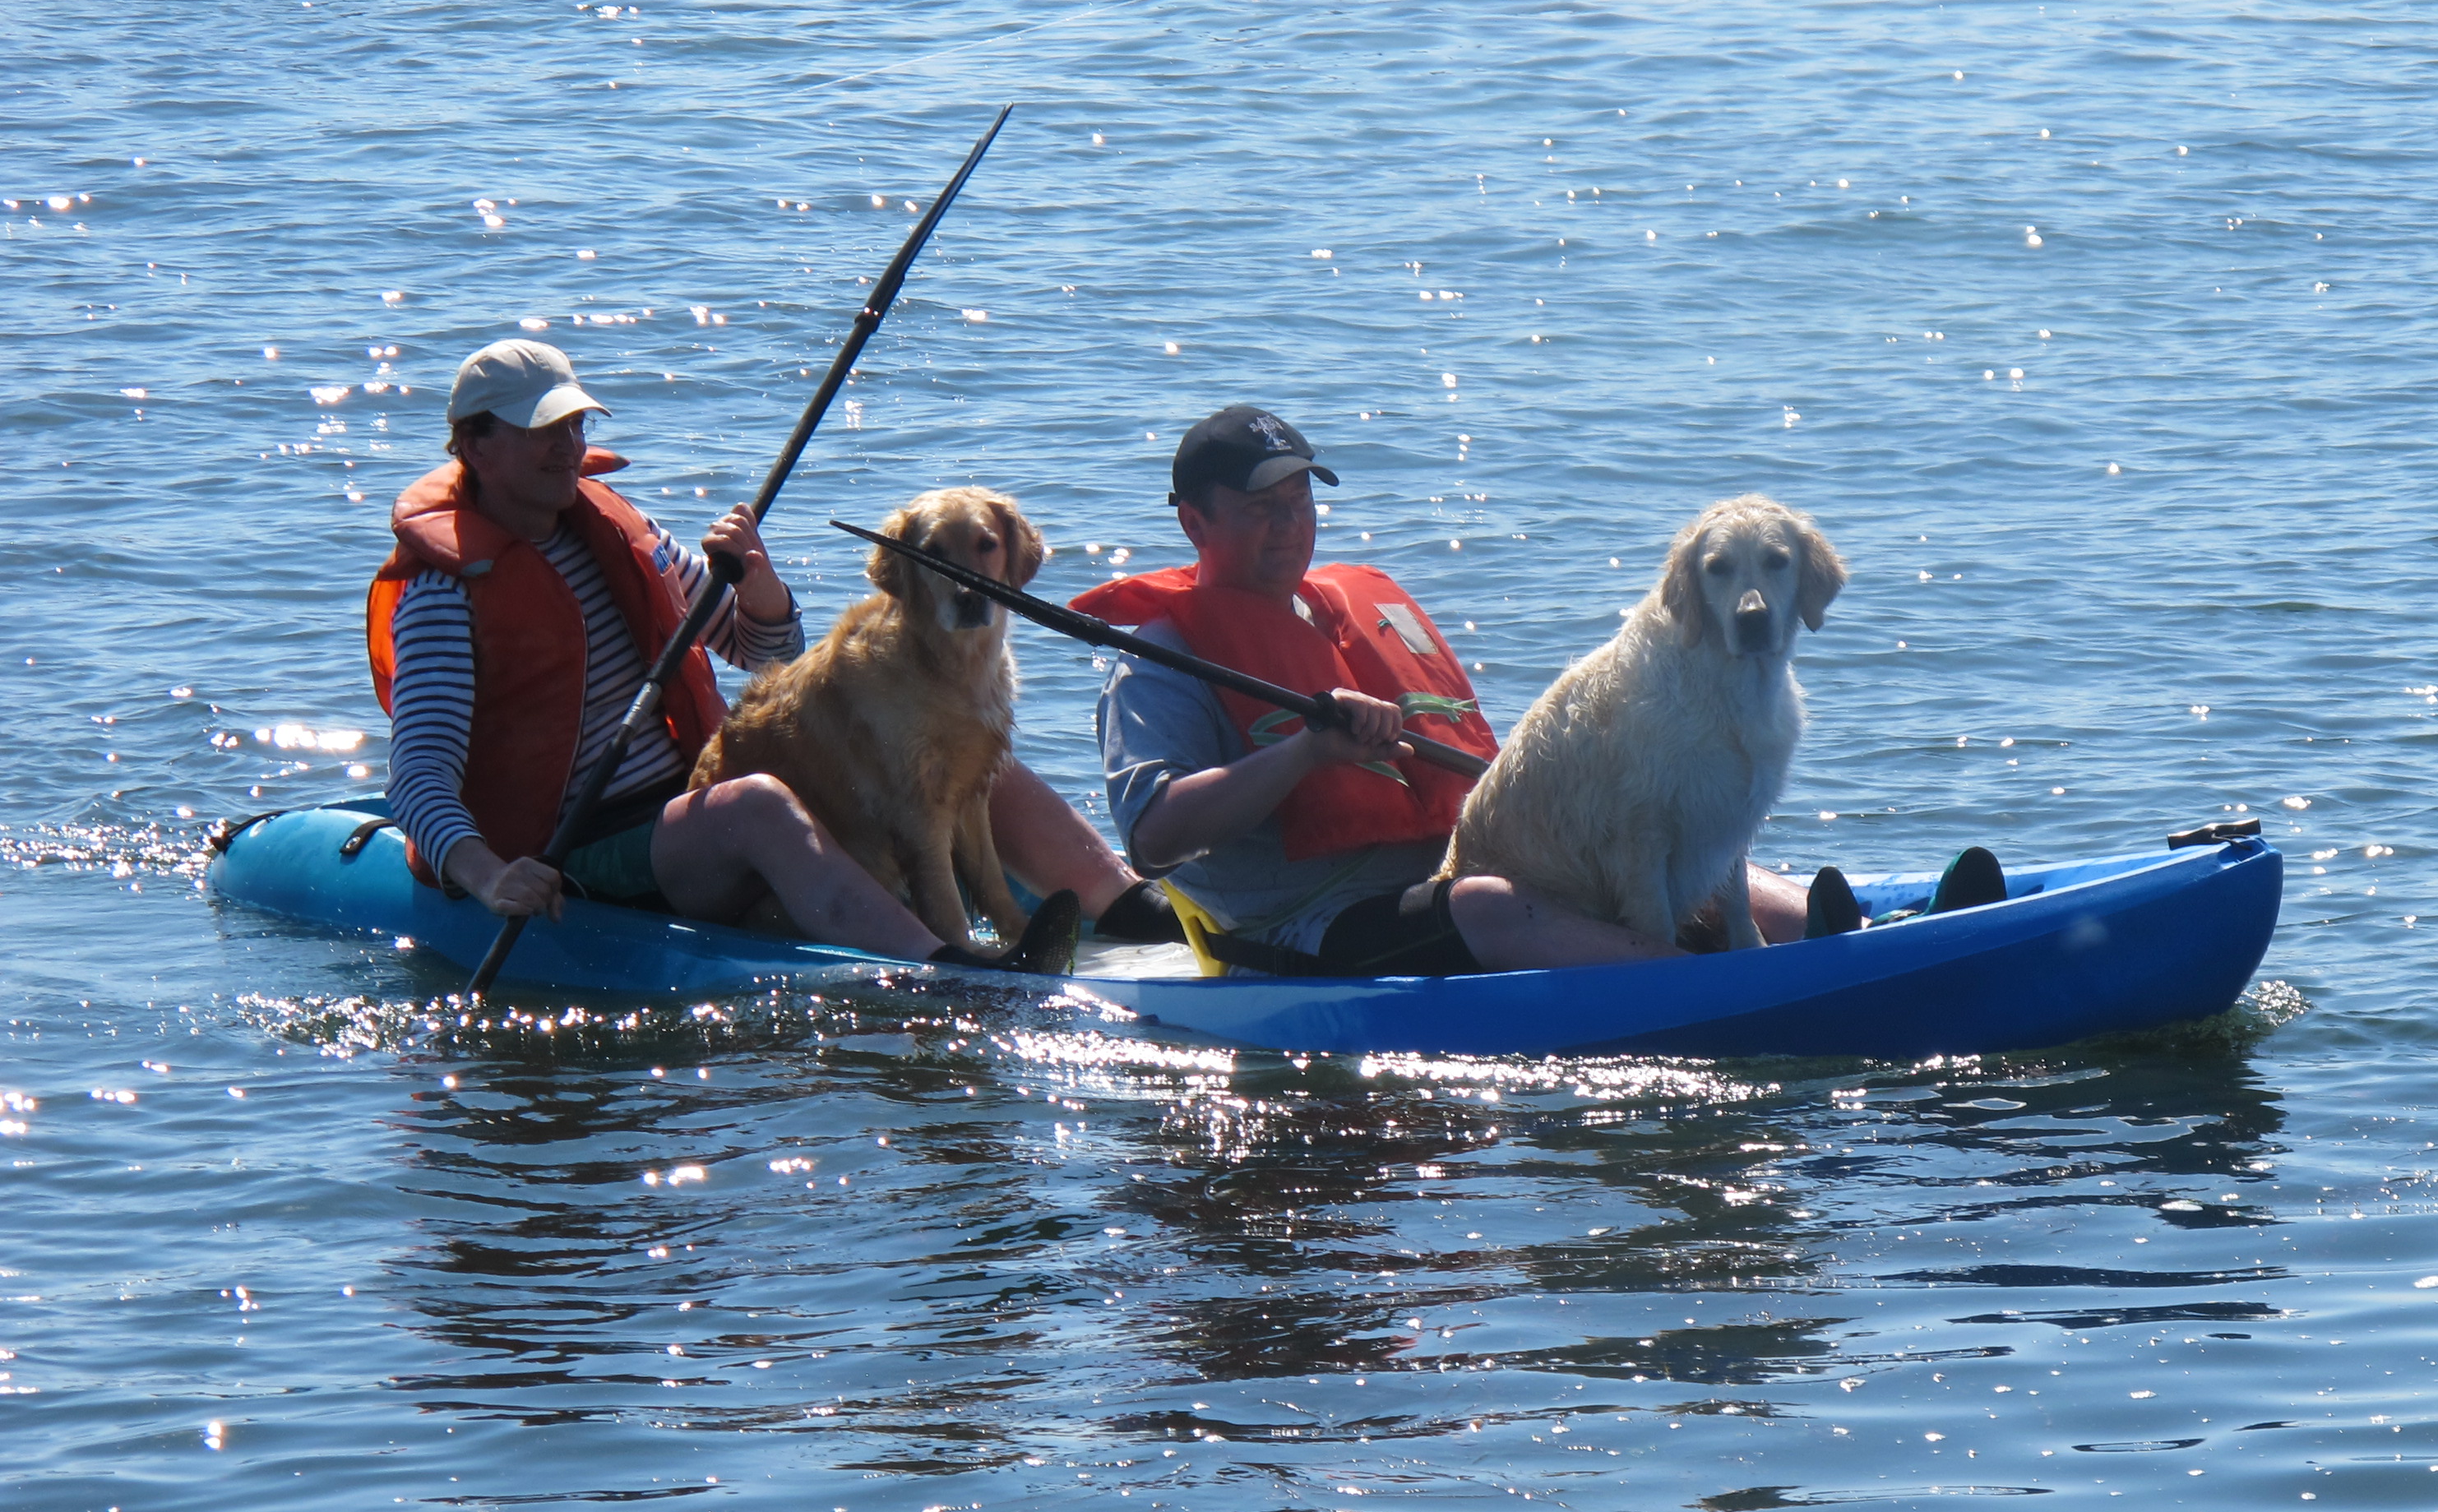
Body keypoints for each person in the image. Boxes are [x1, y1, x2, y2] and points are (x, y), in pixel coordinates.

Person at [368, 338, 1150, 968]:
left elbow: (763, 649)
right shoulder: (445, 597)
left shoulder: (615, 530)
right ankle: (950, 969)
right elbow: (419, 778)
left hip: (688, 798)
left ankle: (1129, 907)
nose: (568, 447)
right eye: (542, 431)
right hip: (588, 844)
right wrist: (490, 876)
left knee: (971, 752)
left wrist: (762, 590)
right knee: (761, 805)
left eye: (575, 425)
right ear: (474, 446)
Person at [1078, 404, 1813, 976]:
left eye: (1299, 501)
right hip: (1310, 927)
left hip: (1465, 868)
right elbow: (1153, 837)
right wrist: (1305, 752)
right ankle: (1692, 982)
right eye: (1260, 508)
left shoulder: (1346, 613)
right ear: (1194, 522)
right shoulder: (1162, 661)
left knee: (1697, 849)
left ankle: (1838, 932)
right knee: (1488, 906)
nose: (1288, 526)